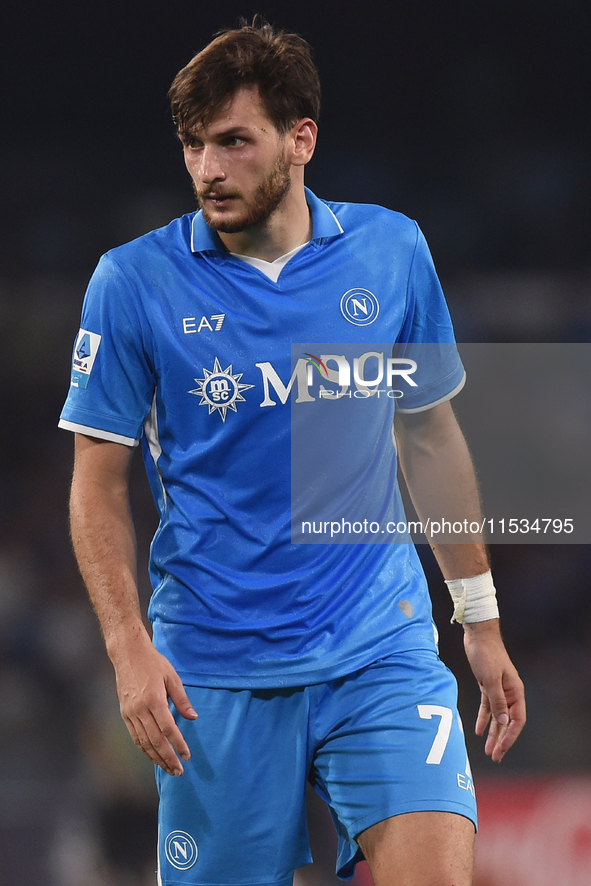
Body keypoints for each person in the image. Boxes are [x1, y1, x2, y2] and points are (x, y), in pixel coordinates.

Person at [59, 19, 525, 886]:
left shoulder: (391, 252)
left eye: (234, 141)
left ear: (299, 139)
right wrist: (126, 649)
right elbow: (96, 485)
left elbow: (429, 437)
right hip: (213, 669)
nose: (208, 168)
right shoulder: (132, 283)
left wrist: (479, 618)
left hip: (377, 647)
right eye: (194, 145)